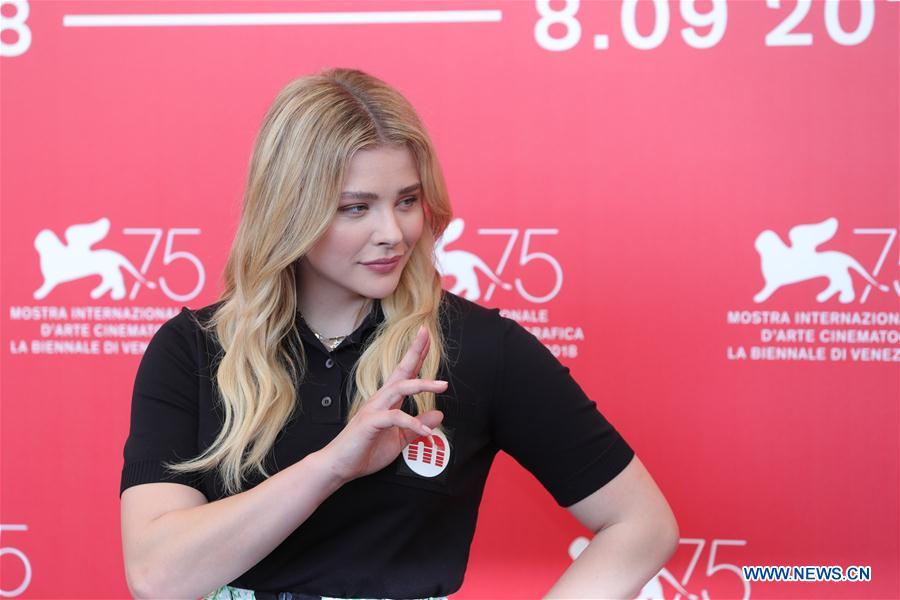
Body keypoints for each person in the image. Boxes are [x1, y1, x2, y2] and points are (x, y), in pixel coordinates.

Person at [119, 67, 679, 600]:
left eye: (407, 201)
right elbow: (156, 577)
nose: (393, 232)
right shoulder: (194, 348)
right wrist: (333, 466)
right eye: (355, 207)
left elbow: (642, 525)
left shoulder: (481, 347)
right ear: (289, 211)